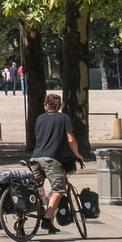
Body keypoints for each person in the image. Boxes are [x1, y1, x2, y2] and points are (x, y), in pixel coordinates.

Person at [31, 92, 84, 234]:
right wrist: (77, 155)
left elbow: (38, 138)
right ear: (59, 105)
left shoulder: (39, 119)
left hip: (35, 158)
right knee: (59, 189)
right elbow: (70, 139)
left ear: (46, 105)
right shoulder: (64, 118)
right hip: (51, 158)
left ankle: (31, 209)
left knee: (36, 186)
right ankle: (47, 219)